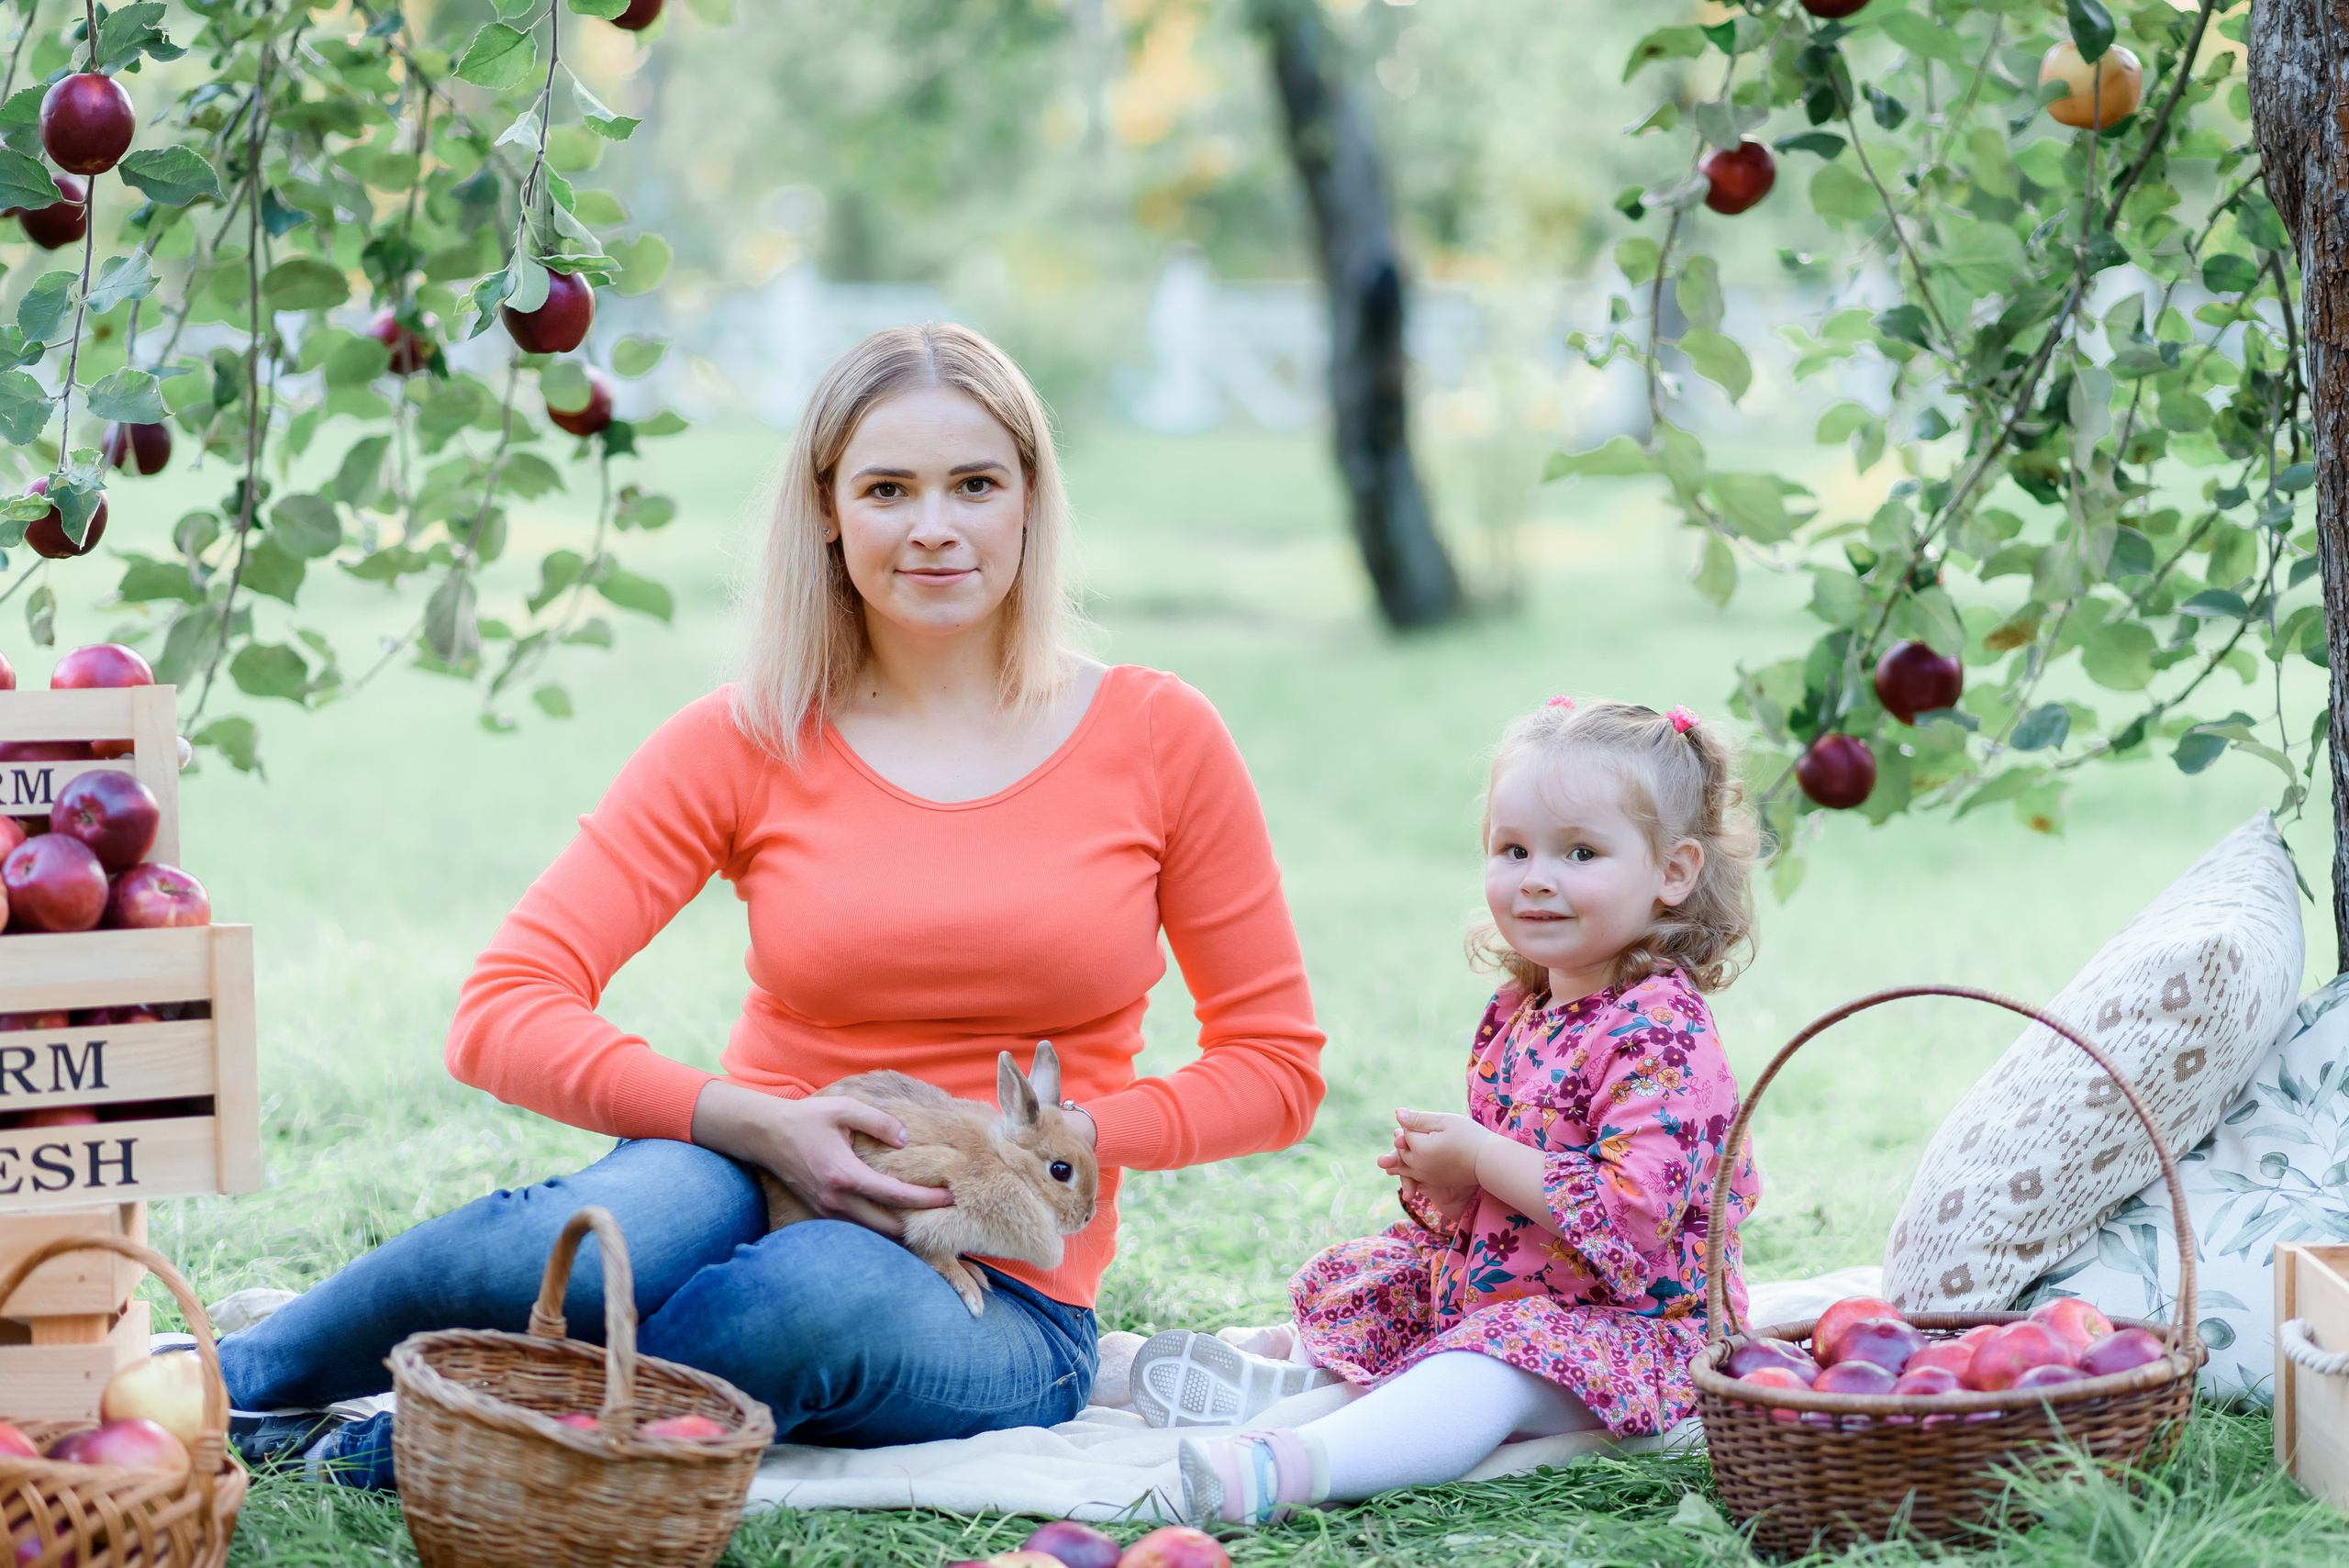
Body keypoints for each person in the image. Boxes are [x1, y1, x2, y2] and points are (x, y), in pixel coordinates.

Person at [217, 323, 1326, 1487]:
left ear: (1029, 504)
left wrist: (1065, 1138)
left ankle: (393, 1450)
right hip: (756, 1175)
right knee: (590, 1249)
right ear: (830, 509)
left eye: (976, 484)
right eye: (888, 487)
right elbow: (500, 1008)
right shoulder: (748, 734)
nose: (935, 525)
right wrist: (751, 1121)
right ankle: (232, 1379)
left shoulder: (1158, 734)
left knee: (790, 1298)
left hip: (997, 1288)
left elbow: (1276, 1067)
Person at [1130, 697, 1763, 1525]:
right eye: (1513, 849)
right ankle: (1277, 1383)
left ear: (1673, 872)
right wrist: (1453, 1185)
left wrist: (1479, 1158)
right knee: (1381, 1282)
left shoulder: (1661, 1033)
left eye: (1580, 851)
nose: (1536, 875)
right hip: (1520, 1290)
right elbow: (1516, 1189)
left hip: (1635, 1329)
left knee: (1485, 1369)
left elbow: (1635, 1217)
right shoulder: (1523, 1008)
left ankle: (1294, 1464)